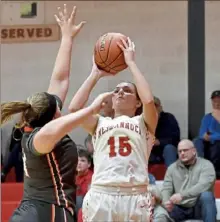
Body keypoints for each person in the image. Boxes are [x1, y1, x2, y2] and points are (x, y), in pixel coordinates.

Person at [1, 4, 86, 222]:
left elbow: (59, 80)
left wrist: (67, 37)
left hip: (30, 211)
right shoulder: (38, 140)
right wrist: (92, 109)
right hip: (48, 213)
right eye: (58, 108)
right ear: (53, 116)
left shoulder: (38, 121)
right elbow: (65, 124)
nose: (61, 106)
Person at [69, 38, 158, 221]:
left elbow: (149, 101)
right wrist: (95, 74)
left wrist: (131, 63)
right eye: (116, 90)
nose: (120, 92)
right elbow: (74, 109)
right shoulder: (99, 123)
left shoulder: (143, 122)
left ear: (137, 101)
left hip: (135, 195)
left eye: (127, 90)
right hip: (102, 193)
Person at [161, 139, 217, 222]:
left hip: (198, 207)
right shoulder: (172, 168)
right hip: (179, 207)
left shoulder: (206, 165)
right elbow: (166, 188)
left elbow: (203, 185)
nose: (182, 153)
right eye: (180, 151)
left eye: (185, 150)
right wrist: (166, 202)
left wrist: (182, 195)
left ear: (194, 151)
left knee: (207, 196)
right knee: (159, 206)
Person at [194, 90, 220, 178]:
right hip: (208, 144)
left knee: (217, 144)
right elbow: (201, 133)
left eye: (219, 101)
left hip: (217, 144)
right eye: (215, 101)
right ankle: (200, 169)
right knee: (197, 141)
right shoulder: (207, 117)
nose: (217, 103)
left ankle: (214, 173)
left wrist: (212, 137)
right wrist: (205, 136)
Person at [149, 96, 180, 167]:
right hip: (151, 151)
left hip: (165, 149)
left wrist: (159, 142)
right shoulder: (143, 120)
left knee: (169, 148)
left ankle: (172, 176)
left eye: (155, 106)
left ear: (160, 107)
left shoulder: (169, 118)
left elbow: (175, 139)